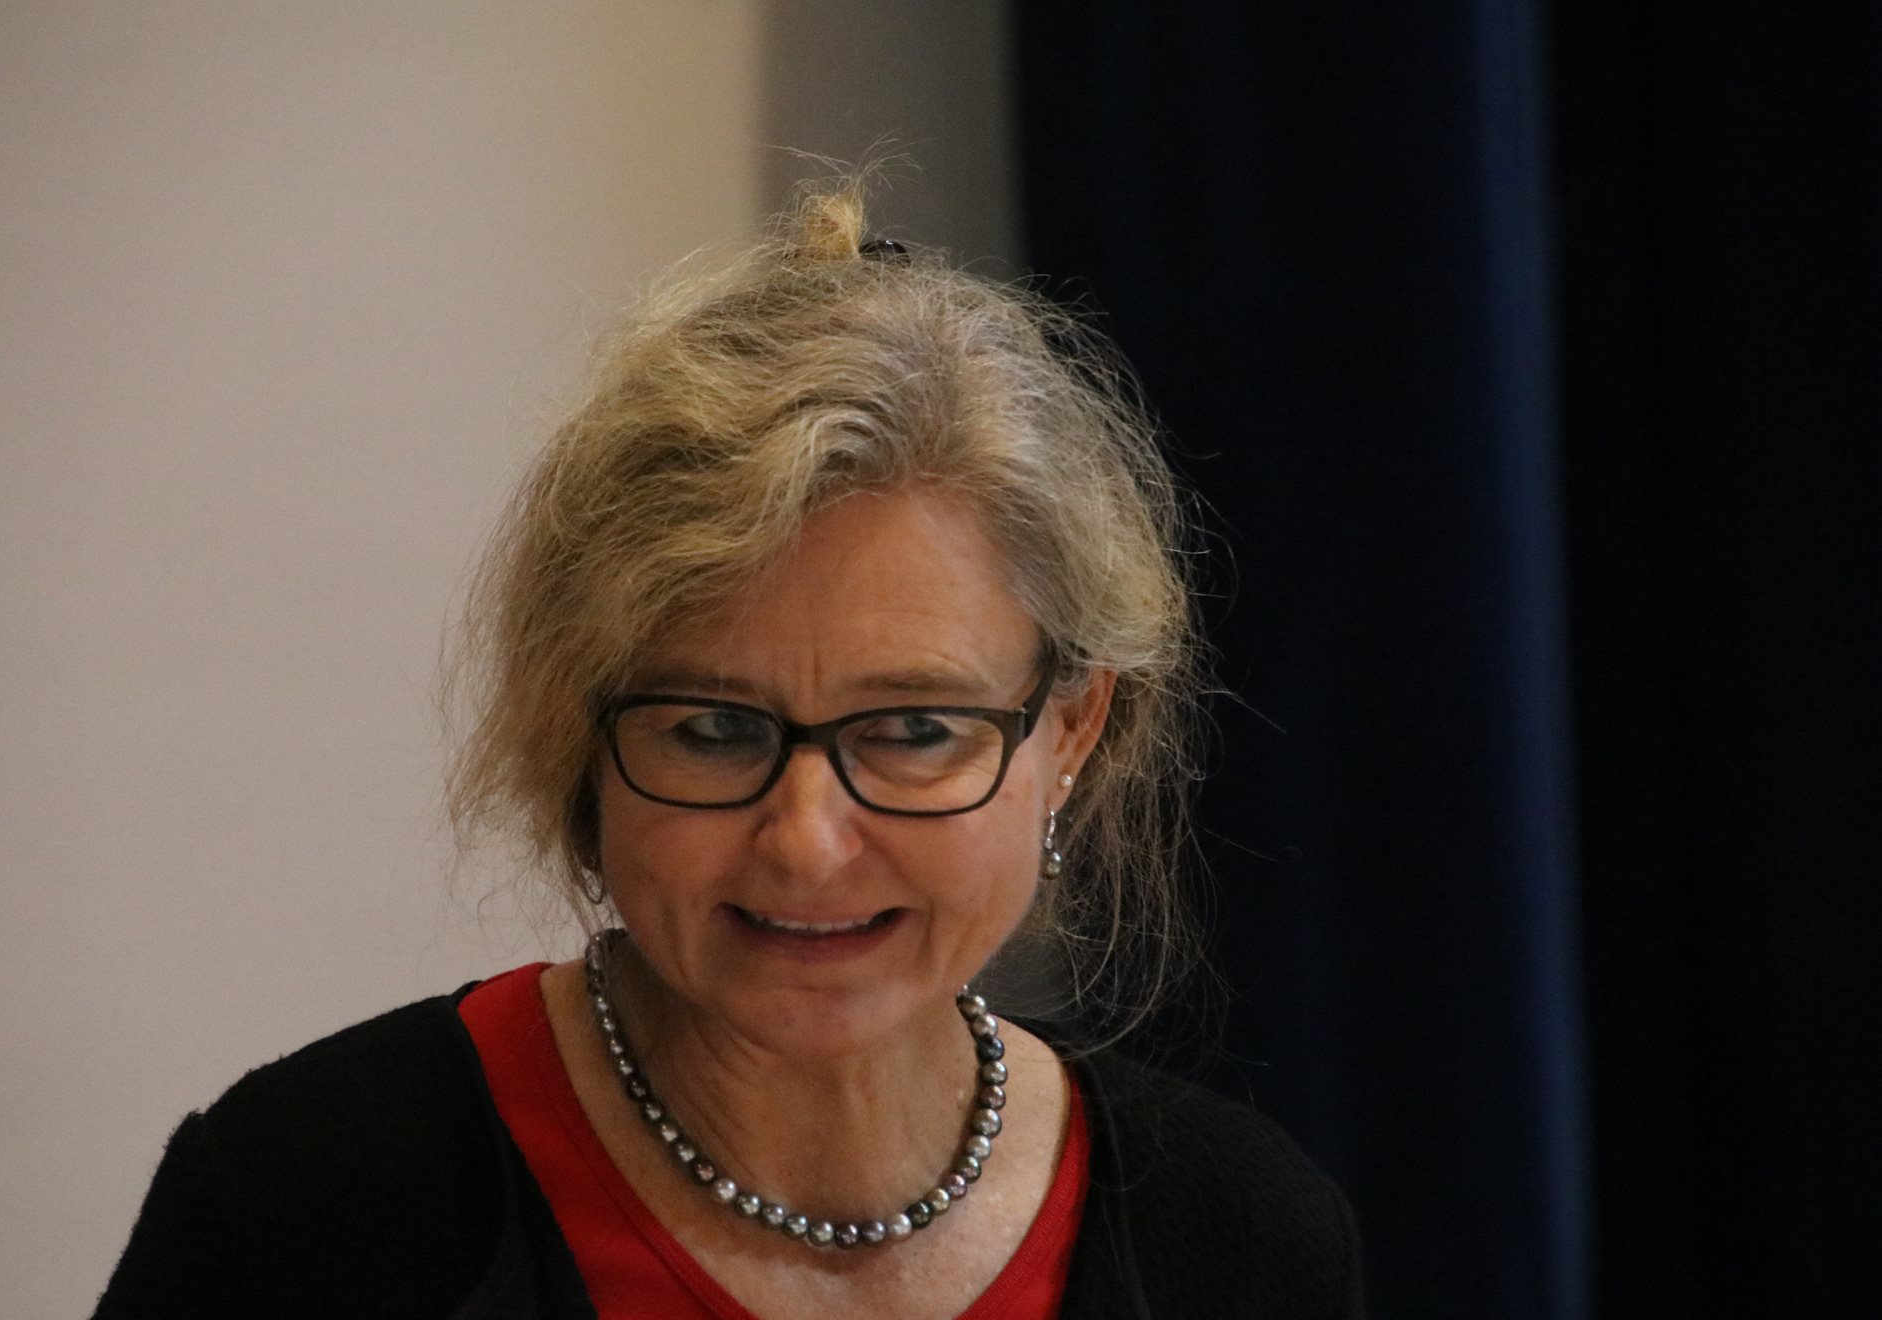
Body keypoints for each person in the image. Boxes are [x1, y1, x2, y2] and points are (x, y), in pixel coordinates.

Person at [92, 181, 1363, 1319]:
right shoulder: (304, 1208)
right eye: (711, 728)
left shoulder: (1240, 1239)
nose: (806, 842)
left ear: (1071, 729)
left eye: (915, 730)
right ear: (579, 730)